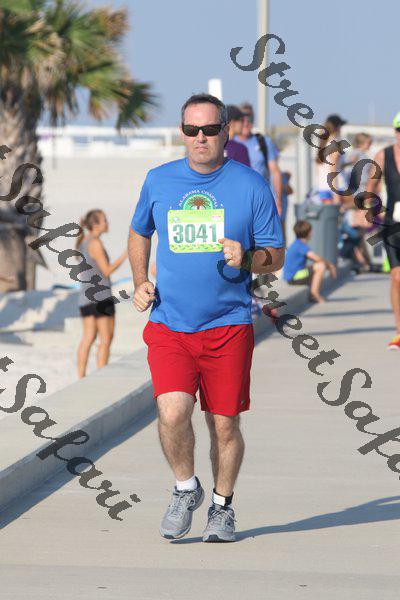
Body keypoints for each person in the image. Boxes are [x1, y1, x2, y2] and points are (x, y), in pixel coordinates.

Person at [128, 92, 284, 542]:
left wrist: (248, 257)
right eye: (192, 129)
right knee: (172, 411)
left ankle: (221, 507)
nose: (201, 137)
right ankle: (185, 488)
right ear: (182, 132)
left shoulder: (250, 185)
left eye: (210, 129)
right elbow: (139, 232)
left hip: (228, 325)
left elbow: (275, 256)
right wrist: (140, 280)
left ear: (226, 132)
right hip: (170, 324)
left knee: (224, 424)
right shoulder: (159, 180)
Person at [76, 209, 127, 378]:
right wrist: (126, 254)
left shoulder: (83, 241)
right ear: (96, 224)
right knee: (106, 338)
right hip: (101, 297)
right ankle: (100, 376)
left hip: (85, 297)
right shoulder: (95, 243)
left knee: (88, 338)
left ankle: (81, 376)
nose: (108, 223)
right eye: (105, 220)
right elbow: (106, 270)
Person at [365, 112, 400, 349]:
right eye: (399, 130)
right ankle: (399, 332)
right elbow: (371, 187)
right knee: (397, 277)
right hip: (393, 224)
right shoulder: (383, 155)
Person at [235, 102, 283, 215]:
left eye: (250, 118)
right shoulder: (229, 143)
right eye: (242, 119)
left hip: (262, 201)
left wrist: (278, 200)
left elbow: (275, 172)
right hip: (239, 201)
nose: (246, 122)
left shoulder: (264, 142)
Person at [284, 220, 337, 303]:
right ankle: (314, 293)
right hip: (294, 277)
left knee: (313, 267)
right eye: (311, 231)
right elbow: (317, 259)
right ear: (309, 233)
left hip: (293, 276)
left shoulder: (296, 244)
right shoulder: (300, 246)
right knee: (320, 266)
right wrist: (330, 266)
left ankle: (313, 292)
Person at [314, 114, 348, 205]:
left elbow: (321, 167)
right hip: (336, 187)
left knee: (328, 214)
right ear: (338, 127)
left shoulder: (323, 143)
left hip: (322, 186)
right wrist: (335, 193)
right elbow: (333, 168)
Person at [281, 170, 293, 244]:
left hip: (282, 209)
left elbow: (290, 191)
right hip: (277, 209)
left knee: (282, 233)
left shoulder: (282, 176)